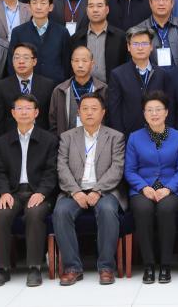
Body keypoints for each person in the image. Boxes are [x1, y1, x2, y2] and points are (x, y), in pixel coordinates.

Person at [53, 94, 127, 286]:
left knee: (107, 210)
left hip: (105, 190)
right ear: (78, 113)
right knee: (60, 212)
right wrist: (76, 192)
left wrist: (97, 190)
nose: (89, 112)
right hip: (74, 191)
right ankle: (72, 268)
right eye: (85, 109)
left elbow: (117, 168)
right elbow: (62, 167)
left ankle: (106, 267)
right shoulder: (67, 137)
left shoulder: (115, 137)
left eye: (94, 108)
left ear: (103, 112)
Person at [0, 95, 60, 287]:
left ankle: (34, 267)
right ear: (13, 113)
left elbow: (51, 171)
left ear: (36, 113)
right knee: (1, 214)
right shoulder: (2, 142)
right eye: (19, 109)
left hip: (38, 192)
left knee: (34, 213)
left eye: (28, 108)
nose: (23, 112)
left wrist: (42, 192)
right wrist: (4, 192)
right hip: (12, 192)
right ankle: (2, 268)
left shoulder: (49, 140)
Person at [124, 92, 178, 284]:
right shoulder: (135, 138)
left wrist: (168, 188)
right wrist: (144, 187)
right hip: (143, 189)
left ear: (166, 112)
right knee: (143, 210)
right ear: (144, 114)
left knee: (166, 209)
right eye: (149, 110)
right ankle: (149, 265)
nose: (154, 114)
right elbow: (130, 170)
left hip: (171, 189)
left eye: (158, 109)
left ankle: (166, 264)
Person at [106, 26, 169, 134]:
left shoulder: (162, 74)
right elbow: (114, 111)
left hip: (158, 133)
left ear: (151, 46)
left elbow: (168, 106)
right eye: (135, 44)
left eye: (144, 44)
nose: (140, 48)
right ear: (128, 47)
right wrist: (120, 137)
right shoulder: (117, 75)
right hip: (129, 135)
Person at [8, 0, 71, 83]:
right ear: (29, 7)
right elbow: (11, 63)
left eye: (43, 3)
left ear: (50, 7)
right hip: (28, 85)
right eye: (34, 3)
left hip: (56, 85)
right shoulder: (18, 32)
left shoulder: (62, 32)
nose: (38, 7)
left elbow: (67, 63)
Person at [0, 43, 55, 134]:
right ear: (12, 61)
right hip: (11, 138)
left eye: (26, 58)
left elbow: (51, 117)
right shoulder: (1, 86)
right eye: (16, 57)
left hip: (41, 137)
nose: (21, 61)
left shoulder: (48, 85)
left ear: (34, 61)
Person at [69, 0, 128, 83]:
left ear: (107, 10)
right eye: (91, 6)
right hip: (84, 87)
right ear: (87, 11)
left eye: (99, 6)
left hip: (112, 87)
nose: (95, 10)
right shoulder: (76, 38)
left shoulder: (120, 37)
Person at [50, 46, 108, 136]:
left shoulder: (103, 89)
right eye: (76, 61)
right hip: (67, 141)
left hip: (96, 140)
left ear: (92, 64)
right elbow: (53, 122)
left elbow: (108, 120)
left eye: (84, 61)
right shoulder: (60, 90)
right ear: (71, 63)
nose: (80, 65)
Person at [131, 0, 178, 67]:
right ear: (150, 3)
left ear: (172, 3)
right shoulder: (140, 29)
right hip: (152, 75)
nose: (161, 3)